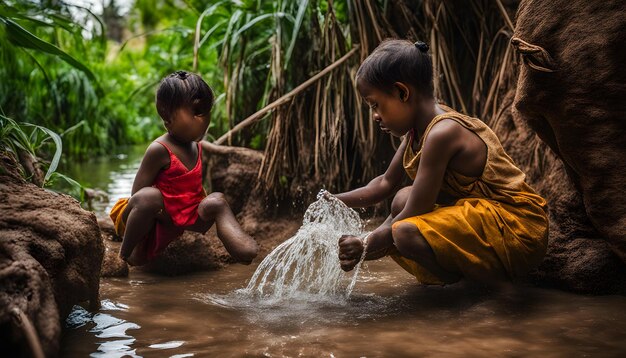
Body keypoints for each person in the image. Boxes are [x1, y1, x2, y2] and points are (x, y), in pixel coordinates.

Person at [333, 39, 548, 286]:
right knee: (401, 198)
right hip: (486, 221)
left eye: (376, 105)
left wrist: (365, 243)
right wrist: (332, 199)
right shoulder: (418, 131)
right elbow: (384, 184)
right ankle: (464, 282)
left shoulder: (441, 133)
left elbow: (416, 210)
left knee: (404, 231)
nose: (375, 116)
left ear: (403, 92)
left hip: (518, 228)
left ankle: (500, 290)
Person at [109, 70, 258, 266]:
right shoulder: (159, 149)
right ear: (168, 119)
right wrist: (161, 214)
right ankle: (124, 256)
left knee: (217, 200)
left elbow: (192, 191)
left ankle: (244, 251)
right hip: (157, 214)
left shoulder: (196, 147)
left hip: (185, 214)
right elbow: (136, 195)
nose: (203, 118)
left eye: (206, 111)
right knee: (148, 197)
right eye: (196, 111)